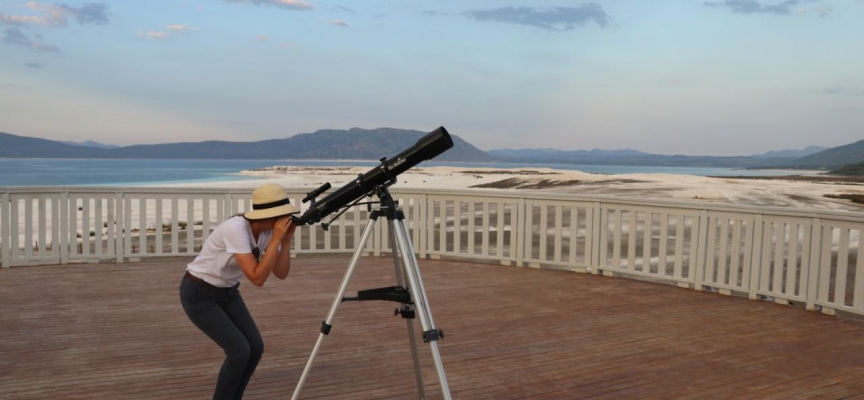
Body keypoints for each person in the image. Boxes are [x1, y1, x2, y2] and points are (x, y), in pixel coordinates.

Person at [179, 183, 298, 400]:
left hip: (227, 292)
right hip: (199, 293)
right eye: (282, 215)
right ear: (269, 215)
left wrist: (285, 241)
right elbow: (257, 277)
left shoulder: (269, 232)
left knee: (255, 347)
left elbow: (281, 273)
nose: (285, 219)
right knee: (239, 351)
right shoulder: (235, 229)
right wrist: (275, 241)